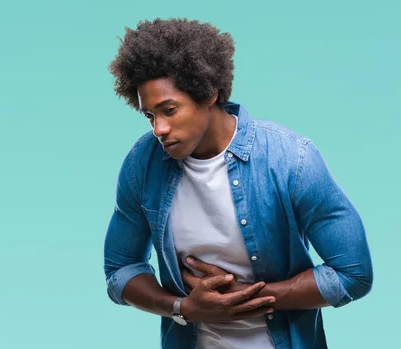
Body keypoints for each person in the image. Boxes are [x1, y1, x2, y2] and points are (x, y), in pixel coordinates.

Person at [103, 18, 373, 349]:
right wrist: (184, 308)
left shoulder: (291, 160)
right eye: (149, 116)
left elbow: (353, 274)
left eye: (169, 110)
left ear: (209, 93)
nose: (158, 128)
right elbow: (120, 271)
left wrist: (249, 299)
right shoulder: (141, 166)